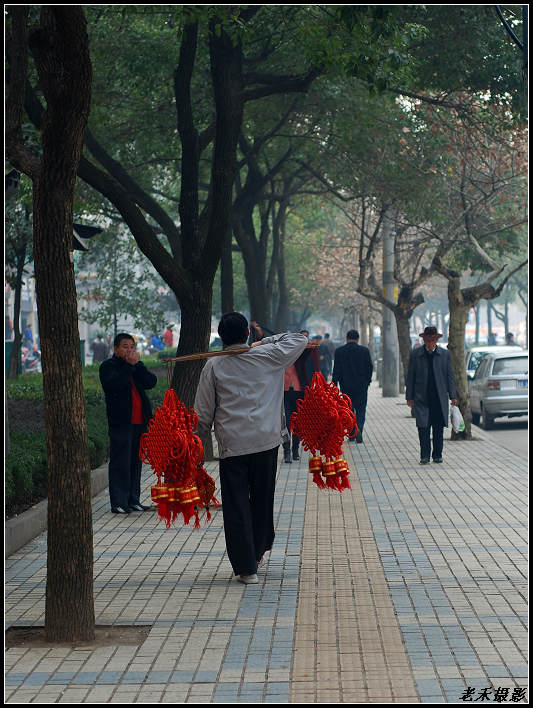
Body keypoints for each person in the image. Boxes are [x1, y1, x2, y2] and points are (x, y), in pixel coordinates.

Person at [194, 312, 307, 585]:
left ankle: (246, 567)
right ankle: (256, 552)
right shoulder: (269, 356)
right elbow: (298, 340)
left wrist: (197, 444)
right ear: (247, 333)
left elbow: (203, 413)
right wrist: (262, 342)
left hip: (232, 445)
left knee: (236, 505)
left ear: (221, 337)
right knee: (261, 499)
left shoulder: (214, 365)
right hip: (265, 442)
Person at [99, 333, 158, 513]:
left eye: (132, 347)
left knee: (135, 462)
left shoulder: (135, 367)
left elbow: (150, 382)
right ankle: (118, 502)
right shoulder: (109, 366)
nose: (129, 350)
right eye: (125, 346)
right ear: (115, 349)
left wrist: (137, 365)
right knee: (120, 462)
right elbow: (115, 385)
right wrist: (129, 366)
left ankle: (133, 500)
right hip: (121, 422)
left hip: (139, 422)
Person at [405, 326, 458, 465]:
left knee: (438, 427)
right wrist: (409, 396)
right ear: (424, 340)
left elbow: (449, 376)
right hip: (421, 396)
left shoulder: (445, 354)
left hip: (439, 397)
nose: (430, 343)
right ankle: (424, 455)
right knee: (423, 427)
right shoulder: (416, 354)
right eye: (427, 341)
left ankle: (437, 455)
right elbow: (410, 376)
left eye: (432, 340)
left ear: (436, 340)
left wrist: (453, 395)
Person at [332, 330, 373, 444]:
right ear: (358, 339)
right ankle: (359, 428)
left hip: (346, 387)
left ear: (346, 338)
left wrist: (334, 384)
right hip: (361, 386)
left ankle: (351, 433)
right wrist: (367, 381)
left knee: (348, 410)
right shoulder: (364, 351)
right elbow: (369, 367)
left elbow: (336, 369)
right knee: (360, 409)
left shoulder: (339, 351)